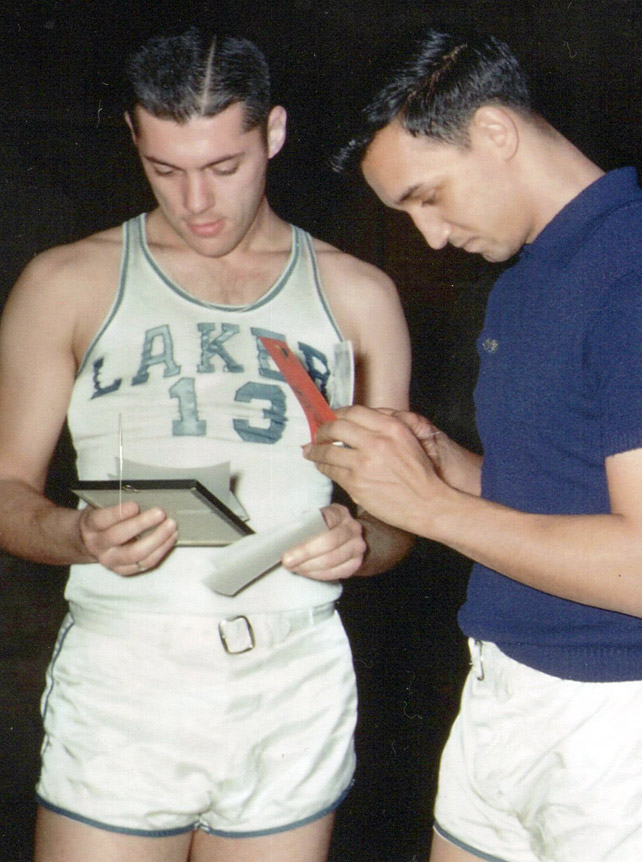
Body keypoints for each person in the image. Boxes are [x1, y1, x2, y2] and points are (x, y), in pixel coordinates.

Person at [311, 29, 642, 862]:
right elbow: (560, 500)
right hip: (507, 689)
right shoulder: (531, 278)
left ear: (494, 133)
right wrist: (443, 464)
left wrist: (429, 507)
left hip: (623, 717)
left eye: (427, 196)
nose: (430, 236)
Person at [0, 29, 412, 862]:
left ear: (274, 134)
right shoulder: (67, 281)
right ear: (134, 141)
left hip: (293, 674)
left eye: (224, 167)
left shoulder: (358, 295)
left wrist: (361, 543)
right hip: (128, 678)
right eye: (166, 169)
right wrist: (75, 534)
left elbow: (404, 520)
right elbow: (7, 489)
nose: (197, 202)